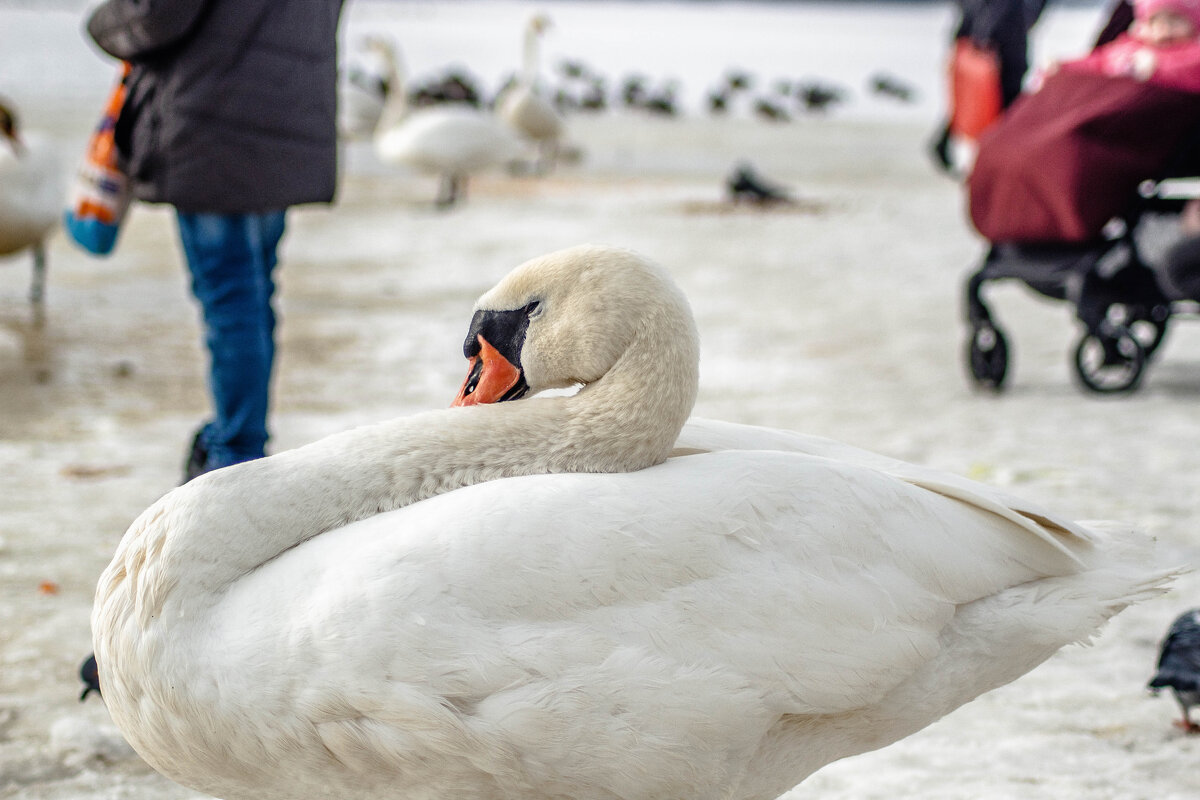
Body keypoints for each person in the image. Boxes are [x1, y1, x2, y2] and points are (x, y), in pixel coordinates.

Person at [85, 0, 346, 482]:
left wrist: (103, 23)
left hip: (211, 121)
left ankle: (237, 453)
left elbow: (156, 14)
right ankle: (239, 438)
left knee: (232, 300)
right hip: (288, 117)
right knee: (253, 291)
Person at [930, 0, 1049, 174]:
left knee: (996, 109)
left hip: (996, 46)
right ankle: (996, 164)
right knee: (1001, 110)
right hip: (997, 50)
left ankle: (992, 162)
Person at [1057, 0, 1200, 90]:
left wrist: (1156, 68)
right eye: (1156, 22)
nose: (1164, 29)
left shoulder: (1191, 52)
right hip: (1107, 101)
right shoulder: (1130, 46)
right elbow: (1099, 61)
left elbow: (1192, 71)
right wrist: (1064, 67)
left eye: (1174, 21)